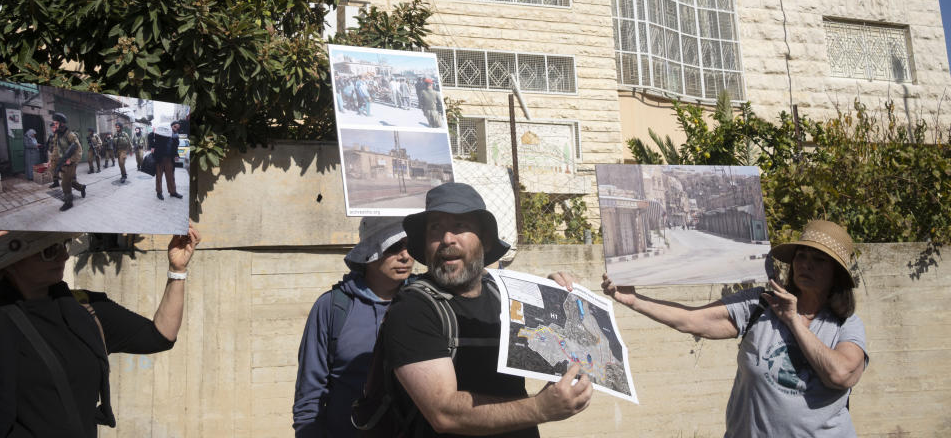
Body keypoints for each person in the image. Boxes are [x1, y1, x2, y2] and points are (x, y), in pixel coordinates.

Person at [554, 219, 868, 438]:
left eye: (818, 260)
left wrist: (793, 320)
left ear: (836, 275)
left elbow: (840, 374)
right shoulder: (760, 305)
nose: (806, 264)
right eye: (802, 256)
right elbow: (694, 321)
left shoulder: (845, 326)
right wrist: (634, 300)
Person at [379, 182, 592, 438]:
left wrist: (555, 298)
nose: (447, 238)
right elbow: (444, 414)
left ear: (485, 239)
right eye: (436, 228)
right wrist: (540, 407)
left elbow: (558, 351)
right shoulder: (413, 309)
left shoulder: (504, 295)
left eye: (460, 226)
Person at [0, 225, 200, 437]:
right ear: (11, 261)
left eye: (64, 245)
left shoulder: (83, 308)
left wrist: (177, 271)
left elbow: (159, 336)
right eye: (49, 251)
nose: (64, 256)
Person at [292, 217, 414, 438]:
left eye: (410, 246)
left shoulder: (425, 303)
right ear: (370, 252)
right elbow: (309, 394)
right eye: (394, 247)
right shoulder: (332, 307)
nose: (405, 256)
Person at [48, 113, 86, 212]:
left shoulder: (70, 135)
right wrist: (51, 160)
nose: (54, 125)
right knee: (70, 181)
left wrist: (71, 160)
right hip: (62, 160)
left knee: (65, 182)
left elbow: (79, 150)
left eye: (56, 123)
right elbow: (56, 149)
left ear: (62, 124)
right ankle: (81, 188)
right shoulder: (57, 134)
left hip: (71, 162)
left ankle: (69, 202)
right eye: (54, 123)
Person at [150, 122, 182, 201]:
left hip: (169, 159)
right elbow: (150, 136)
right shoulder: (162, 132)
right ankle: (159, 192)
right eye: (174, 127)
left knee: (171, 176)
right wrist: (152, 146)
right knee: (159, 176)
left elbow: (175, 148)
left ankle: (173, 192)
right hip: (159, 157)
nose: (175, 129)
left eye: (177, 128)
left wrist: (176, 155)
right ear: (171, 126)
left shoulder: (175, 137)